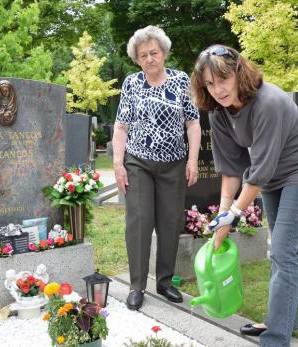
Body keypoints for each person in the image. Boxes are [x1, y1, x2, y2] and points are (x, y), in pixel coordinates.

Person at [190, 45, 298, 346]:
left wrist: (236, 213)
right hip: (273, 177)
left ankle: (276, 337)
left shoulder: (269, 102)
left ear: (238, 72)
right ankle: (280, 321)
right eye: (209, 84)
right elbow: (231, 169)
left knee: (282, 252)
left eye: (222, 79)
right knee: (282, 250)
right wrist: (223, 216)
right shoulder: (219, 112)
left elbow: (258, 172)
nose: (217, 90)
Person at [112, 25, 201, 311]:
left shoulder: (181, 80)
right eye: (143, 55)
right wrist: (118, 164)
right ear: (137, 59)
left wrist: (192, 160)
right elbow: (121, 126)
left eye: (154, 53)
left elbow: (193, 123)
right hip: (138, 162)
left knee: (170, 222)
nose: (149, 59)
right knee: (138, 222)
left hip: (174, 163)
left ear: (164, 53)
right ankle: (137, 285)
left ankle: (164, 281)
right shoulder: (132, 83)